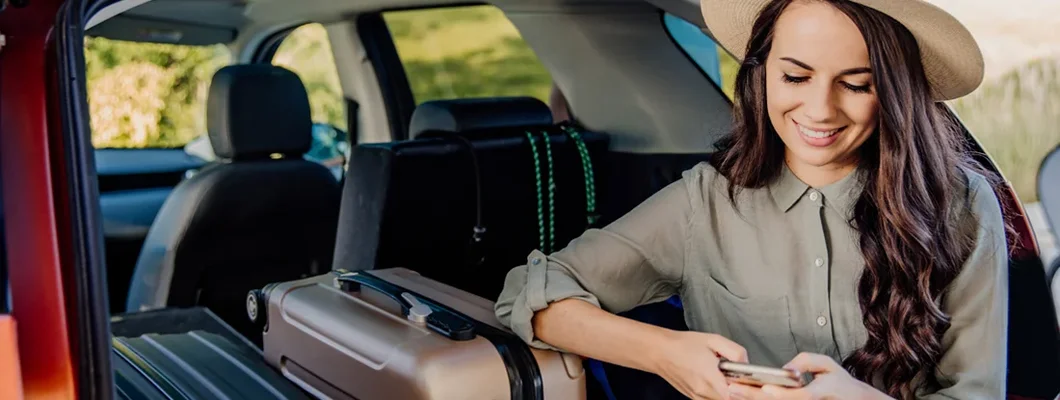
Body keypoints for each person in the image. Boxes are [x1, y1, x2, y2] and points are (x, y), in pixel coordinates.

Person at [494, 0, 1010, 399]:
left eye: (855, 85)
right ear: (761, 74)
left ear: (896, 93)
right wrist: (664, 352)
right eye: (795, 77)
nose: (820, 110)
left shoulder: (961, 206)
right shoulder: (705, 201)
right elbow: (530, 293)